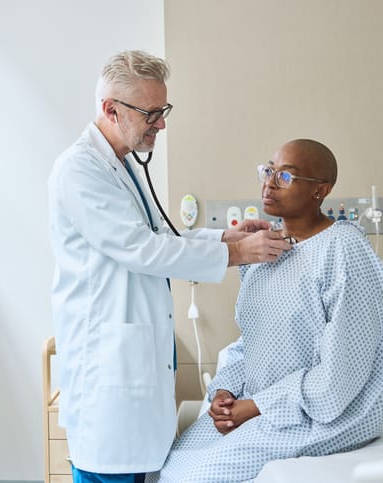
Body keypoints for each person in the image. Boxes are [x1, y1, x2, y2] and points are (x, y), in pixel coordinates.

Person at [47, 50, 293, 482]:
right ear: (111, 109)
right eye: (152, 113)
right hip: (107, 368)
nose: (161, 123)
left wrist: (226, 237)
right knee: (110, 472)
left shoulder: (123, 164)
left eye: (164, 111)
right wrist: (239, 254)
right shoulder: (80, 171)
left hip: (134, 359)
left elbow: (163, 239)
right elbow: (141, 249)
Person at [147, 139, 383, 483]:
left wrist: (255, 407)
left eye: (285, 176)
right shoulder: (266, 251)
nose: (269, 182)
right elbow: (250, 345)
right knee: (169, 466)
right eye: (268, 171)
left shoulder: (344, 250)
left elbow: (342, 373)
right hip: (260, 405)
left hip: (323, 414)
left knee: (193, 478)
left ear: (321, 190)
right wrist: (224, 392)